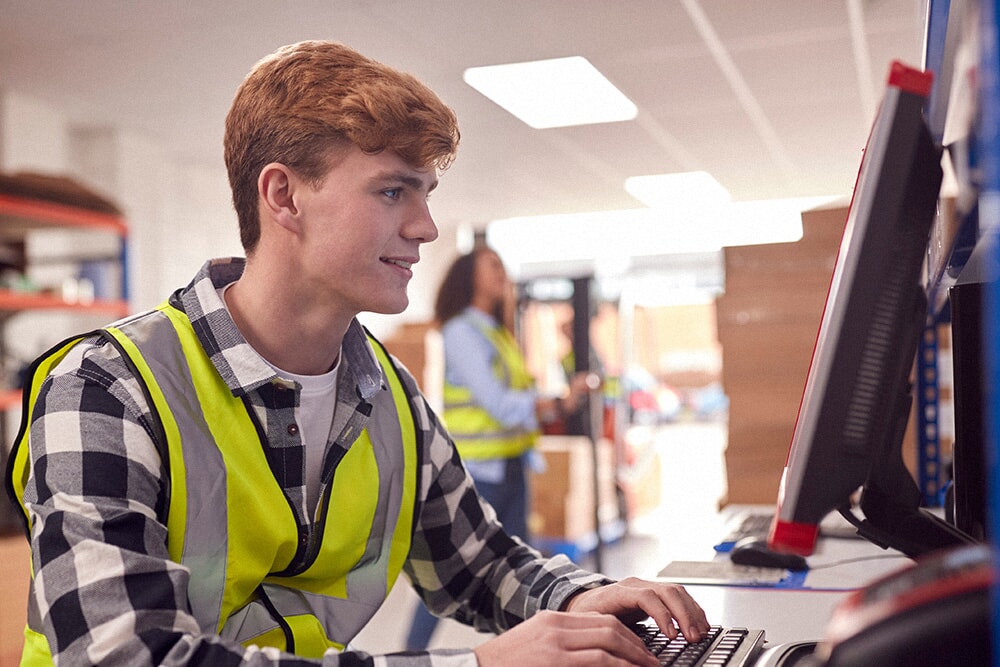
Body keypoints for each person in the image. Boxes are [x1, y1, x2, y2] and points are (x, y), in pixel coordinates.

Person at [4, 40, 709, 666]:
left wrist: (595, 599)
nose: (427, 226)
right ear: (284, 196)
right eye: (393, 190)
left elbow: (481, 564)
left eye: (426, 192)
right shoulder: (105, 387)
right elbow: (127, 655)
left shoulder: (385, 393)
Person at [405, 246, 593, 649]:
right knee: (453, 573)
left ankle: (526, 652)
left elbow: (518, 398)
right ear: (468, 275)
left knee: (518, 575)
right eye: (492, 265)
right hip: (481, 472)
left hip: (512, 464)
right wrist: (556, 403)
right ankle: (412, 652)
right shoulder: (461, 331)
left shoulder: (496, 331)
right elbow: (499, 403)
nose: (502, 273)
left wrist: (555, 400)